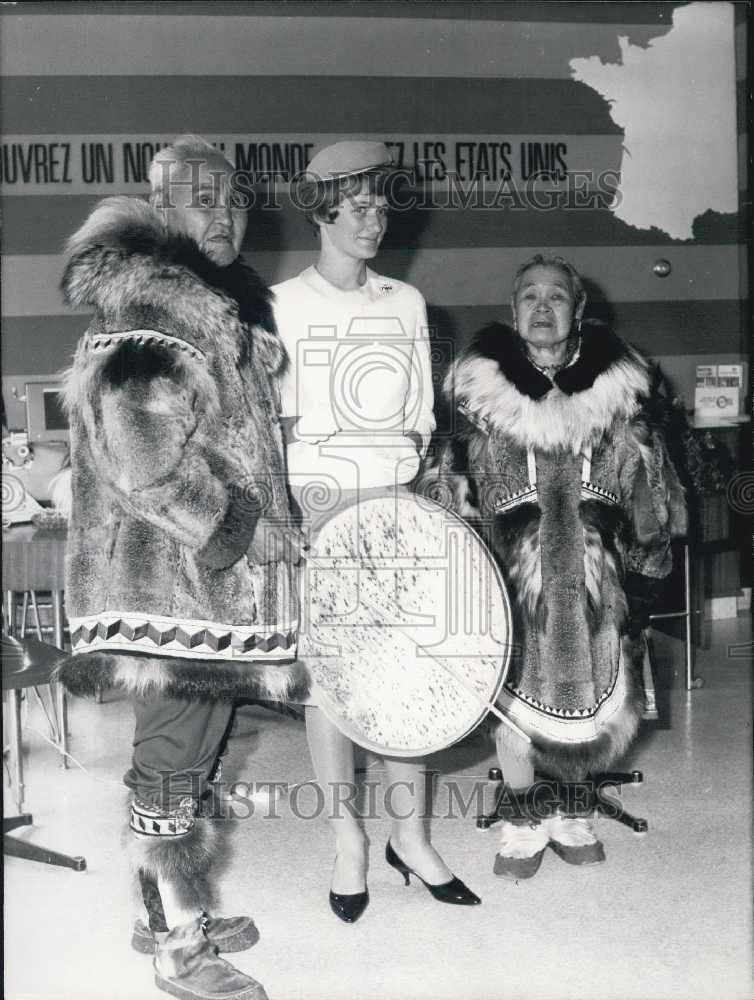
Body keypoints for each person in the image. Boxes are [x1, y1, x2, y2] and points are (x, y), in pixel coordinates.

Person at [56, 135, 302, 1000]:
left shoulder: (203, 307)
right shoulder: (157, 309)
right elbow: (143, 461)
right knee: (173, 760)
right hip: (166, 589)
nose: (223, 210)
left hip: (196, 590)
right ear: (160, 211)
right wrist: (245, 527)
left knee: (188, 758)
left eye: (232, 196)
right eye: (200, 196)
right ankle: (181, 948)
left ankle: (160, 908)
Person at [419, 254, 686, 879]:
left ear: (579, 309)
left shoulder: (624, 391)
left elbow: (652, 493)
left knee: (592, 692)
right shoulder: (473, 392)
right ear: (514, 312)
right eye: (530, 297)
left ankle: (570, 809)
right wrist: (453, 579)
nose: (543, 308)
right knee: (512, 700)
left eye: (557, 297)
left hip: (599, 580)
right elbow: (446, 486)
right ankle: (522, 819)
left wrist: (644, 588)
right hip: (506, 578)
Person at [272, 140, 481, 923]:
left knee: (406, 679)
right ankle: (347, 842)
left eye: (382, 204)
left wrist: (408, 504)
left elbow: (420, 423)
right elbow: (280, 429)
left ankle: (413, 839)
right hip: (321, 514)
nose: (373, 219)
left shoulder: (407, 301)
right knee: (331, 686)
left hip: (397, 509)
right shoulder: (281, 305)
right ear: (321, 209)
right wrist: (310, 517)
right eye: (356, 204)